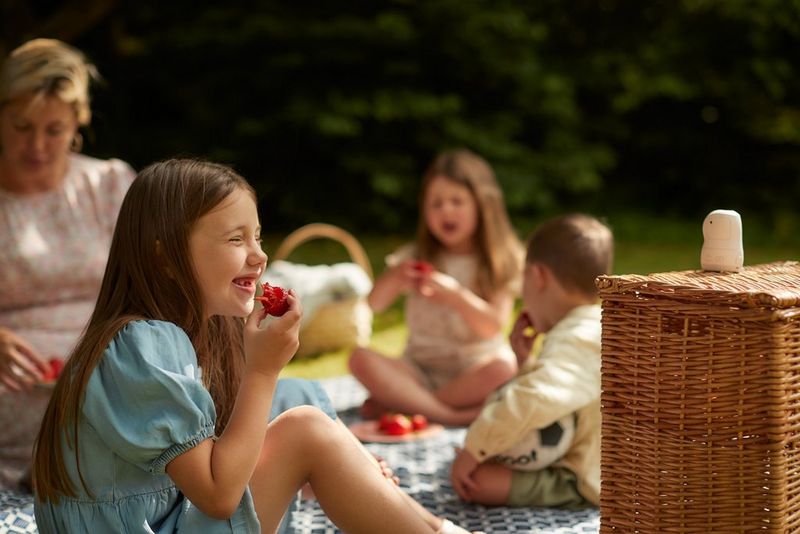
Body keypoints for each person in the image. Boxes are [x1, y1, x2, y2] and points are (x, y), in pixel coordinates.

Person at [32, 159, 482, 534]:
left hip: (169, 516)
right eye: (235, 239)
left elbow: (229, 448)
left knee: (297, 398)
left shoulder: (196, 332)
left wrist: (348, 464)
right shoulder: (139, 345)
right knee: (304, 426)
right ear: (164, 258)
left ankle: (434, 527)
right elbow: (217, 494)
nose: (259, 255)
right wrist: (262, 371)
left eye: (257, 236)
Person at [0, 38, 135, 489]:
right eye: (21, 126)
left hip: (109, 359)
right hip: (15, 381)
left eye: (53, 129)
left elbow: (157, 279)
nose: (36, 144)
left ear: (79, 120)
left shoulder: (108, 183)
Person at [450, 213, 614, 509]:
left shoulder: (575, 337)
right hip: (587, 454)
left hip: (585, 474)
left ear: (538, 277)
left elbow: (537, 397)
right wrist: (525, 362)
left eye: (522, 283)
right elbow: (564, 393)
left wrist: (475, 447)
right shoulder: (591, 325)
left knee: (478, 480)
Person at [349, 148, 524, 426]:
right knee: (359, 359)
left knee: (506, 367)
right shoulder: (416, 255)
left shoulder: (499, 259)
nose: (446, 210)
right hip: (417, 368)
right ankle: (448, 414)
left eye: (457, 201)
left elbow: (493, 326)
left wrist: (457, 297)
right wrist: (395, 277)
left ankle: (407, 402)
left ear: (481, 204)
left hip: (473, 368)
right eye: (436, 203)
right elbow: (375, 304)